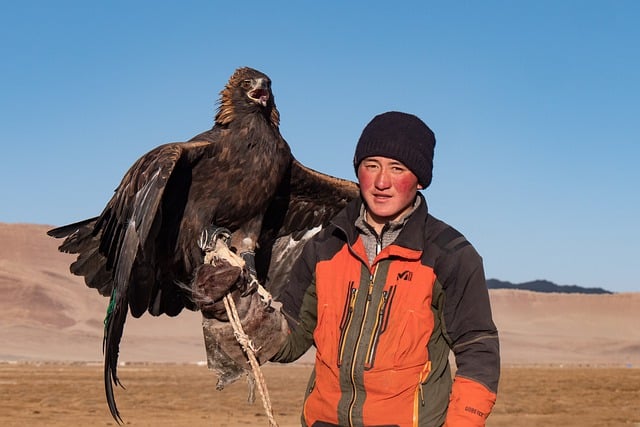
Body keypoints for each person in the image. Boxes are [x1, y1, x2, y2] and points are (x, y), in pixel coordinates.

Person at [204, 111, 500, 427]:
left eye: (397, 168)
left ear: (419, 178)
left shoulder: (451, 255)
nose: (382, 182)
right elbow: (290, 338)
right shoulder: (324, 246)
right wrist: (235, 309)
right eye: (371, 166)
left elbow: (478, 350)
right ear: (358, 171)